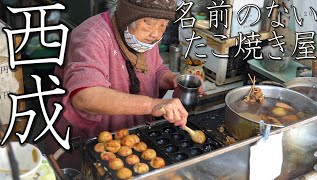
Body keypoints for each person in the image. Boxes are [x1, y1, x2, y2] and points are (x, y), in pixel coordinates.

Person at [45, 0, 205, 169]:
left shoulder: (142, 37)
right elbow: (85, 96)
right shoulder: (91, 37)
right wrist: (151, 104)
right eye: (149, 24)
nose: (156, 34)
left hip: (129, 139)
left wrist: (172, 79)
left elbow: (154, 69)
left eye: (163, 26)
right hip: (87, 145)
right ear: (128, 15)